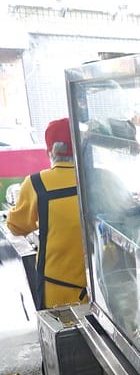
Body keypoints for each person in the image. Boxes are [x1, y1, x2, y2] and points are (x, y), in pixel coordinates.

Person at [7, 117, 87, 310]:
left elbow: (16, 227)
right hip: (100, 287)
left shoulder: (36, 183)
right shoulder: (99, 178)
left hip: (58, 286)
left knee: (66, 337)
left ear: (50, 151)